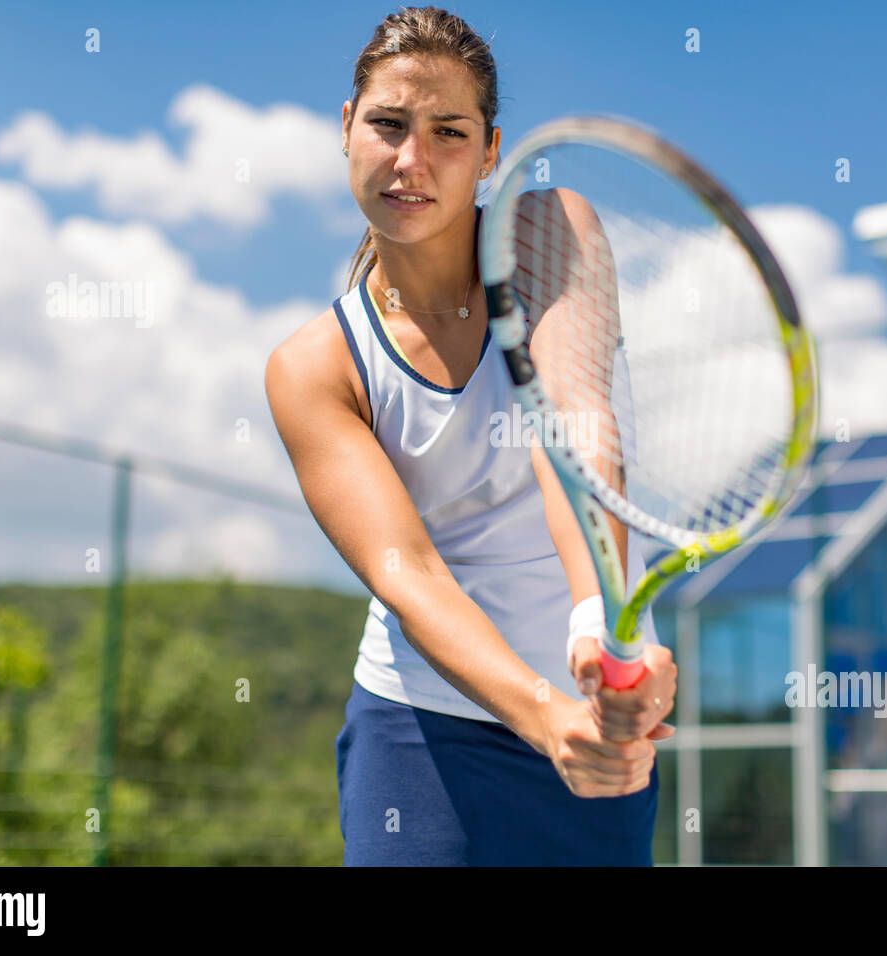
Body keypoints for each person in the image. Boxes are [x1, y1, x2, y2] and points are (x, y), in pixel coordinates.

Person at [265, 5, 677, 866]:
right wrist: (541, 712)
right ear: (347, 129)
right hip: (418, 733)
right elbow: (405, 572)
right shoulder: (311, 367)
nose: (412, 160)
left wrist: (599, 629)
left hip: (593, 724)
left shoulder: (546, 231)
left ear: (492, 152)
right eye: (388, 124)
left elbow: (568, 421)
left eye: (448, 132)